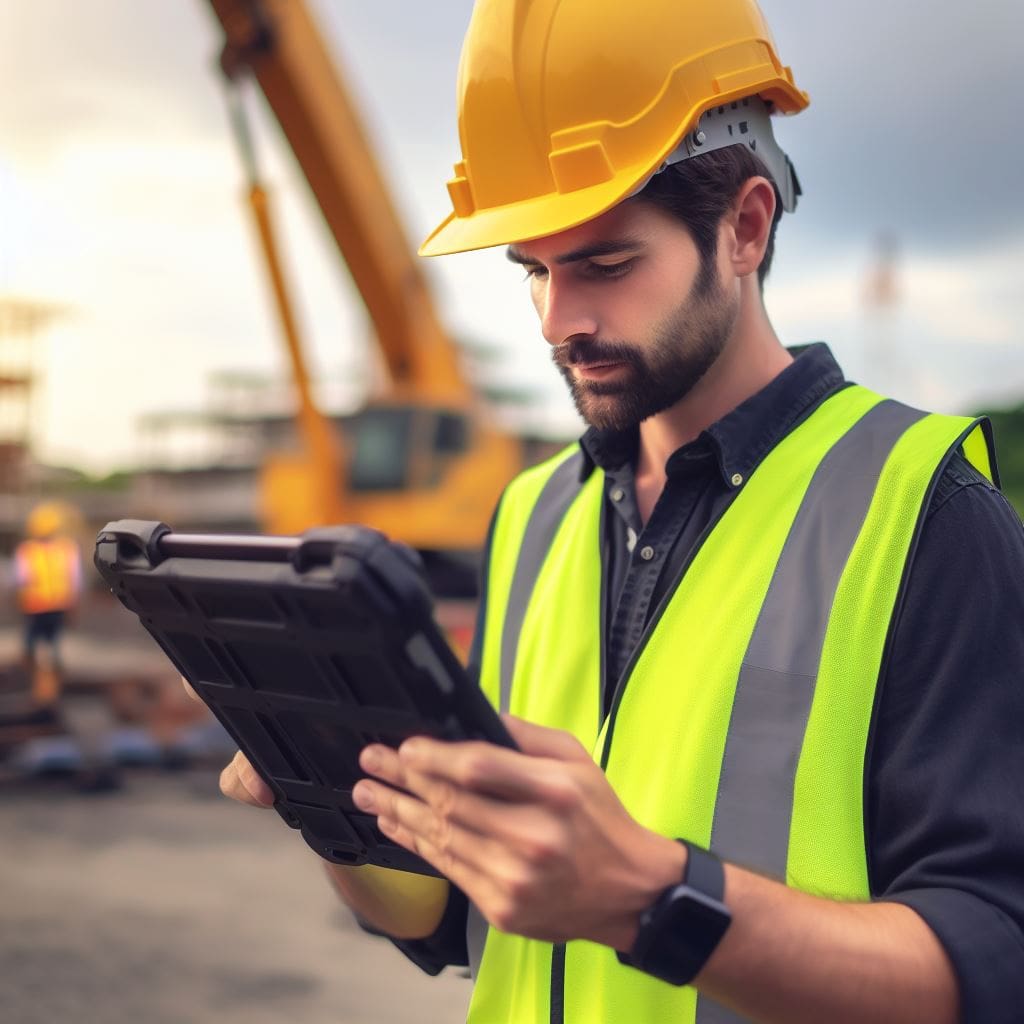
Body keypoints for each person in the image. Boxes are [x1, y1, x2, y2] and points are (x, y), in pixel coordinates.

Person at [215, 1, 1024, 1021]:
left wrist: (650, 898)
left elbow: (998, 958)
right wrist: (329, 798)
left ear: (744, 225)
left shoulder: (923, 510)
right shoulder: (531, 516)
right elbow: (448, 918)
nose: (559, 320)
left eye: (603, 263)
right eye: (533, 272)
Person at [14, 502, 82, 705]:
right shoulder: (66, 548)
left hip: (40, 605)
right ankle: (44, 685)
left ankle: (45, 687)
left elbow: (20, 580)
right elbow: (75, 580)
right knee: (47, 645)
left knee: (38, 645)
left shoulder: (28, 550)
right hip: (52, 605)